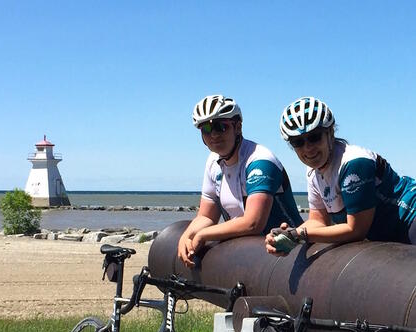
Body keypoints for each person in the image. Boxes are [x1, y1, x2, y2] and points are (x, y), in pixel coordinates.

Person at [266, 96, 416, 255]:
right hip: (388, 231)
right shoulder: (313, 173)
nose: (308, 148)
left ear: (330, 133)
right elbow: (318, 221)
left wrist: (301, 235)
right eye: (298, 142)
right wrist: (289, 235)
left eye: (314, 137)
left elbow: (356, 230)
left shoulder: (353, 163)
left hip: (410, 218)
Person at [178, 94, 301, 267]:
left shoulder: (260, 161)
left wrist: (204, 234)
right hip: (247, 251)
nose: (213, 135)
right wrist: (187, 235)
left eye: (221, 127)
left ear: (238, 127)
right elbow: (206, 216)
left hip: (284, 250)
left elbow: (253, 223)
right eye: (205, 129)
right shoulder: (213, 163)